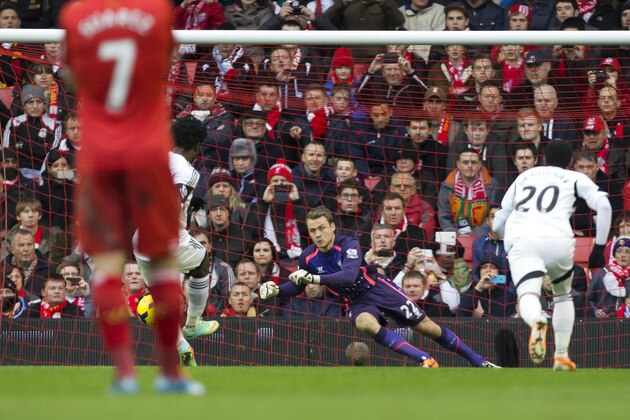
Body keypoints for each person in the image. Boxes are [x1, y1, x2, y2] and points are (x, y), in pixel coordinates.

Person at [61, 0, 204, 394]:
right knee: (160, 265)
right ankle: (170, 375)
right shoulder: (155, 12)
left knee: (105, 267)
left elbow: (73, 75)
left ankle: (124, 375)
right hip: (146, 152)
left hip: (99, 153)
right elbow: (163, 61)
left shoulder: (76, 14)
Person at [260, 205, 498, 368]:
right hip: (356, 302)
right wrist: (278, 289)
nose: (318, 234)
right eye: (313, 230)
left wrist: (314, 279)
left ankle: (479, 361)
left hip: (378, 288)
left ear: (332, 226)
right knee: (365, 324)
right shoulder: (307, 257)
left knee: (428, 328)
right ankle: (424, 358)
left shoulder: (349, 244)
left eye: (322, 228)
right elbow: (298, 286)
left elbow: (348, 276)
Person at [493, 141, 612, 371]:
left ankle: (537, 319)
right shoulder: (574, 177)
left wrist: (504, 236)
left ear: (543, 158)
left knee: (528, 293)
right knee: (562, 296)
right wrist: (598, 247)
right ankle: (561, 356)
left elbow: (500, 218)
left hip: (523, 240)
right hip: (558, 240)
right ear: (570, 162)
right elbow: (605, 206)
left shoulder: (525, 177)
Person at [133, 117, 220, 357]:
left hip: (140, 240)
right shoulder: (187, 170)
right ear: (198, 147)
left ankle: (181, 346)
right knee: (202, 262)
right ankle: (193, 324)